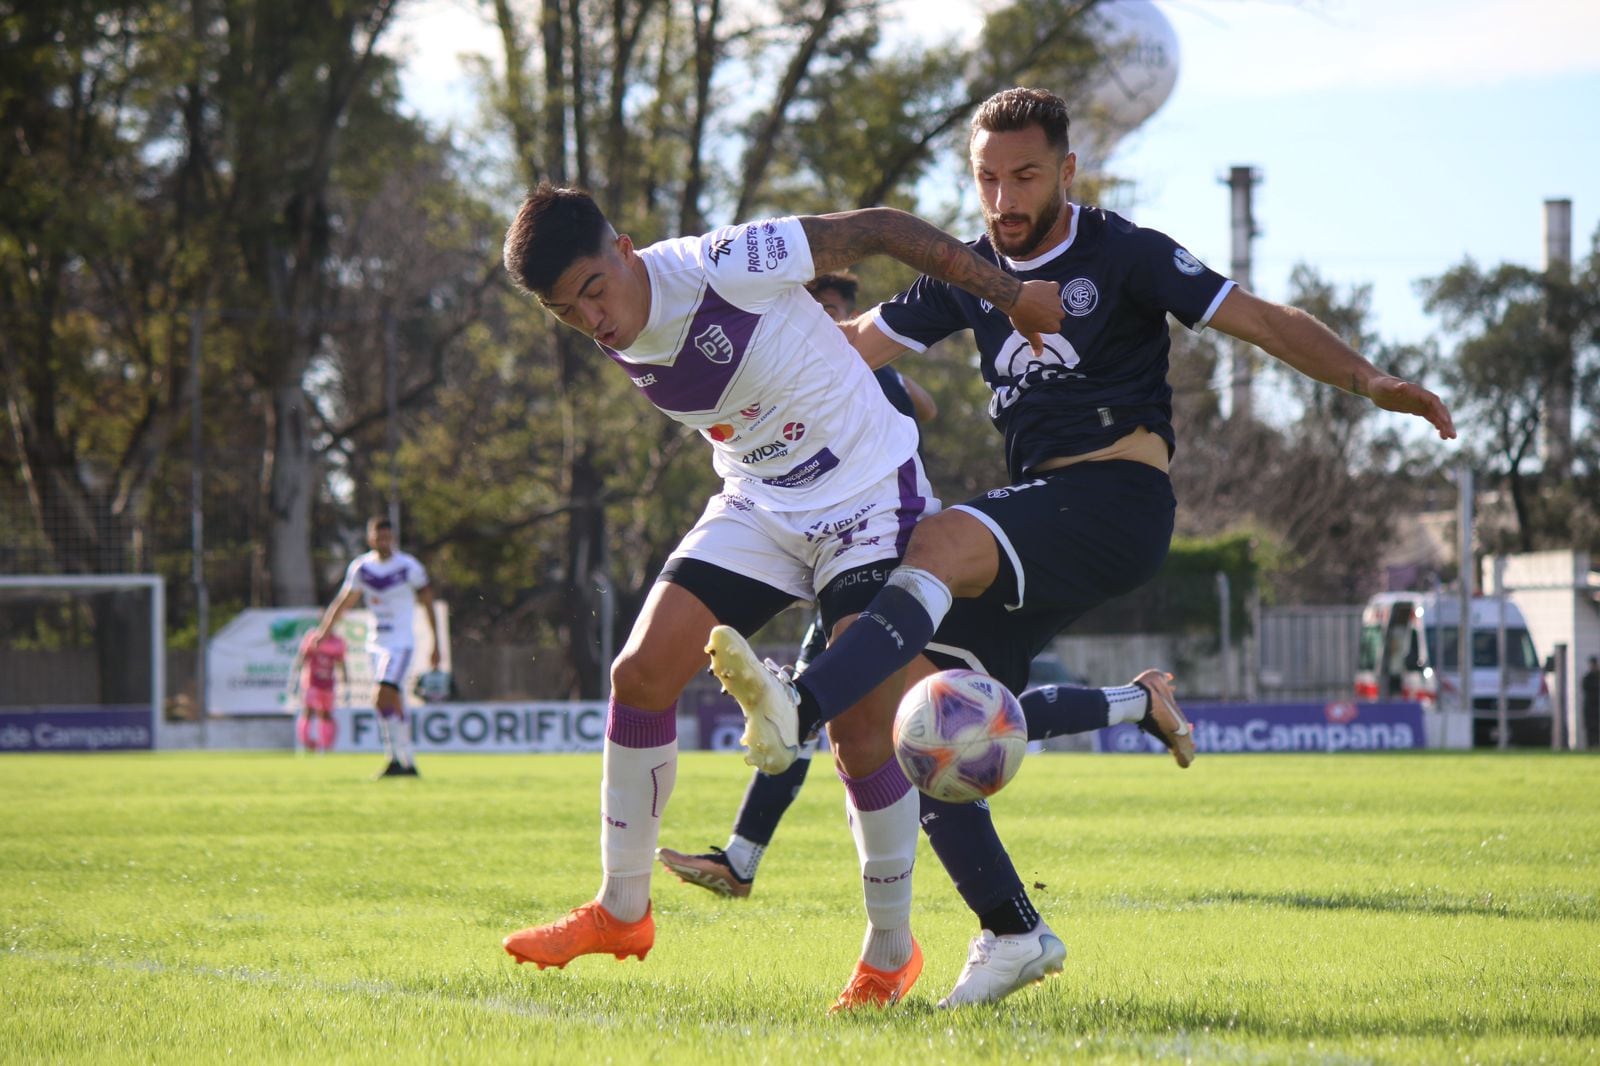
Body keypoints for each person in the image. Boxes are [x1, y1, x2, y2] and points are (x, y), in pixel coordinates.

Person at [708, 86, 1456, 1005]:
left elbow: (1255, 317)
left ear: (1068, 169)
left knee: (937, 537)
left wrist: (1368, 378)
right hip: (1045, 516)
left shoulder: (1125, 253)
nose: (1005, 199)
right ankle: (1013, 930)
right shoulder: (970, 272)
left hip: (1116, 499)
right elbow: (856, 343)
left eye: (1025, 176)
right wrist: (736, 391)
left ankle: (801, 706)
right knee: (925, 718)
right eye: (987, 179)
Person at [496, 183, 1062, 1012]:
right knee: (641, 674)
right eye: (564, 310)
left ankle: (889, 955)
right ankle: (621, 911)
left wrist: (1012, 297)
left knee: (865, 732)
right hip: (760, 505)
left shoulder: (722, 264)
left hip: (868, 496)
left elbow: (877, 229)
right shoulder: (605, 319)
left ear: (623, 247)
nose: (593, 319)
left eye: (593, 289)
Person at [658, 273, 1185, 902]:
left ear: (846, 313)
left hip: (885, 543)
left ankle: (1133, 705)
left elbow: (922, 407)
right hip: (841, 553)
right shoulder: (798, 368)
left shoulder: (860, 369)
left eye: (830, 311)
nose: (821, 322)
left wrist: (885, 384)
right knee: (918, 711)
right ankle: (748, 853)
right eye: (812, 311)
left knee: (939, 712)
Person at [311, 516, 443, 779]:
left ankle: (394, 757)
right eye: (378, 537)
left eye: (387, 537)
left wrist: (435, 642)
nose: (383, 542)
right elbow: (344, 600)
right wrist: (324, 631)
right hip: (376, 644)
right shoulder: (362, 567)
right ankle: (406, 761)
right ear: (370, 538)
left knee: (381, 695)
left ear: (392, 538)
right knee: (395, 701)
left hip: (401, 643)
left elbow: (428, 602)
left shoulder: (408, 567)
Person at [289, 628, 348, 753]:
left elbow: (341, 662)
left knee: (326, 714)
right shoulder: (312, 637)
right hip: (311, 683)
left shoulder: (338, 641)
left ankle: (326, 745)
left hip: (328, 684)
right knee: (308, 712)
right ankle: (306, 744)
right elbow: (303, 658)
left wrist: (345, 680)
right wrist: (295, 679)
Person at [1582, 655, 1598, 750]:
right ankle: (1590, 746)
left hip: (1597, 707)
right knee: (1590, 727)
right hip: (1590, 707)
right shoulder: (1587, 678)